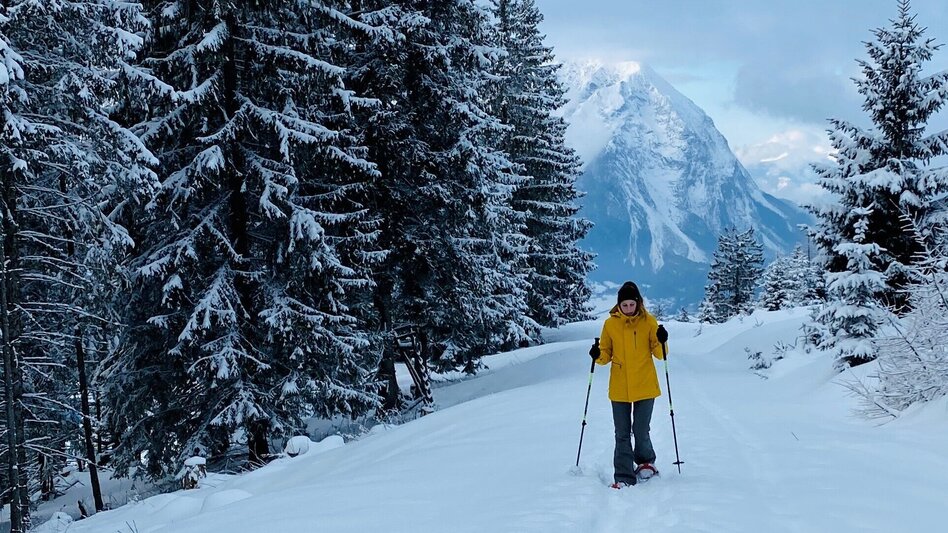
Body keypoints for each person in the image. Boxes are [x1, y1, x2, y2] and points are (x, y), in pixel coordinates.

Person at [588, 281, 668, 488]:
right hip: (619, 387)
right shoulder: (610, 324)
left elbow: (660, 354)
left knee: (641, 429)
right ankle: (623, 475)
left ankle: (645, 463)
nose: (629, 309)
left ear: (638, 303)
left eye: (632, 304)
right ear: (619, 305)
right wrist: (597, 355)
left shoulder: (649, 322)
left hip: (645, 384)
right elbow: (605, 354)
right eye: (625, 305)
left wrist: (662, 340)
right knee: (621, 433)